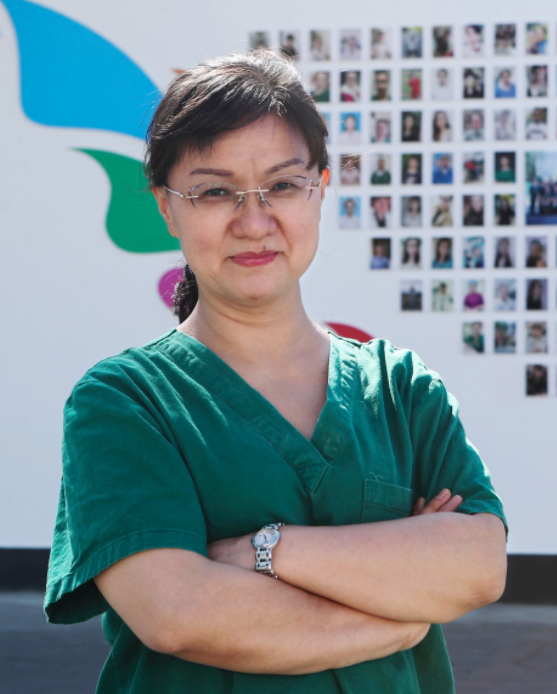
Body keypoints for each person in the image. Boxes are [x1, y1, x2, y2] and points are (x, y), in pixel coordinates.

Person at [45, 50, 507, 694]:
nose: (254, 221)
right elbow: (178, 614)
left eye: (283, 186)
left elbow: (479, 565)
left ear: (321, 187)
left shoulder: (401, 390)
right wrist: (402, 612)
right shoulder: (124, 403)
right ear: (165, 207)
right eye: (214, 191)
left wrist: (265, 550)